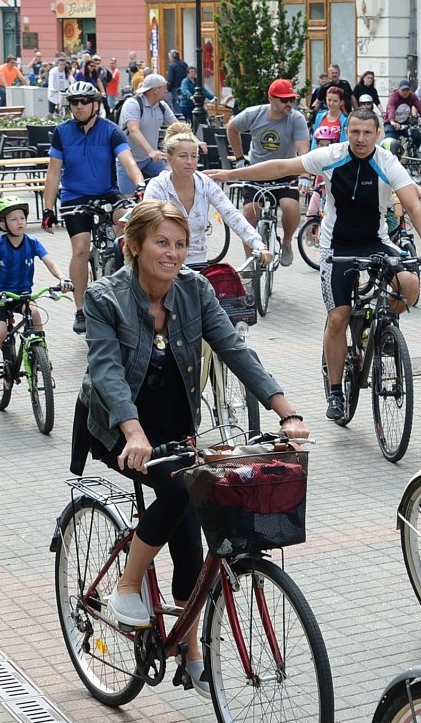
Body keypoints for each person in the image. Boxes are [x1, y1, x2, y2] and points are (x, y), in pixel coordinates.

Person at [72, 200, 310, 688]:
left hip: (175, 422)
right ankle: (127, 584)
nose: (173, 253)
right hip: (117, 426)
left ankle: (190, 652)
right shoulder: (104, 298)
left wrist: (286, 411)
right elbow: (107, 371)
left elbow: (235, 348)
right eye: (162, 242)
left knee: (192, 532)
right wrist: (132, 432)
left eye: (180, 244)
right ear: (133, 247)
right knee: (179, 490)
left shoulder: (195, 290)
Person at [216, 106, 421, 422]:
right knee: (338, 316)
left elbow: (412, 206)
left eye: (367, 133)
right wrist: (230, 174)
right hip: (337, 246)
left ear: (378, 134)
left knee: (410, 285)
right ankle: (336, 391)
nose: (361, 139)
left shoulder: (386, 162)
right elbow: (282, 166)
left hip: (375, 241)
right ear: (346, 132)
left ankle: (377, 330)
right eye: (355, 132)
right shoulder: (331, 156)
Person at [43, 79, 146, 335]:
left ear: (95, 104)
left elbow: (127, 160)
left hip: (106, 193)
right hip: (75, 197)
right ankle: (80, 310)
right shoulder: (62, 132)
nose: (78, 107)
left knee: (128, 223)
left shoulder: (110, 130)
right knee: (80, 249)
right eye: (73, 103)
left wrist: (140, 184)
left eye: (83, 102)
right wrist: (47, 209)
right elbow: (54, 173)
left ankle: (130, 285)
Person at [143, 122, 271, 286]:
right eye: (183, 156)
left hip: (197, 263)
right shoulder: (158, 186)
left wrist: (258, 245)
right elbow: (146, 225)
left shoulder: (205, 183)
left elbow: (231, 214)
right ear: (169, 159)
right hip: (164, 262)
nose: (190, 161)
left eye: (194, 156)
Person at [0, 195, 72, 385]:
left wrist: (62, 278)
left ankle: (41, 355)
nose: (20, 222)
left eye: (22, 218)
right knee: (0, 331)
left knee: (35, 314)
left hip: (23, 295)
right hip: (0, 296)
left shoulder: (32, 242)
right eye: (13, 219)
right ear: (3, 225)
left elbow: (50, 262)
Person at [224, 79, 311, 248]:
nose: (289, 104)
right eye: (284, 100)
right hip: (257, 171)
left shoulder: (296, 118)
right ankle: (250, 262)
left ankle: (286, 242)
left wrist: (305, 174)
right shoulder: (254, 113)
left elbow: (303, 148)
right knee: (250, 212)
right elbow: (232, 128)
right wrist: (240, 158)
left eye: (292, 100)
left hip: (285, 171)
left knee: (290, 206)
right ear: (271, 99)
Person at [119, 75, 176, 194]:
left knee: (173, 180)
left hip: (150, 159)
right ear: (154, 90)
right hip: (130, 160)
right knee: (128, 200)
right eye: (164, 88)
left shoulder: (162, 106)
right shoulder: (133, 104)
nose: (166, 91)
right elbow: (134, 130)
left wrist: (196, 141)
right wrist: (150, 151)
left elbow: (177, 126)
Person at [383, 79, 421, 150]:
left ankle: (413, 152)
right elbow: (391, 109)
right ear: (399, 89)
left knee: (418, 136)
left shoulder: (412, 96)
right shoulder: (393, 97)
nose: (405, 92)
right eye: (403, 90)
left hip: (404, 122)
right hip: (391, 123)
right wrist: (392, 121)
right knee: (390, 143)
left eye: (407, 90)